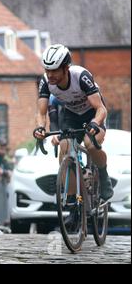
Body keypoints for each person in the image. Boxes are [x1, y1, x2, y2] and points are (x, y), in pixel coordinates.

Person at [33, 44, 113, 201]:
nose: (50, 74)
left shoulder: (81, 76)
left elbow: (101, 109)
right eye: (47, 70)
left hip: (93, 113)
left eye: (54, 70)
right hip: (72, 114)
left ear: (66, 68)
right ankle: (72, 203)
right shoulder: (45, 81)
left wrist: (95, 123)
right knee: (65, 148)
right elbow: (41, 113)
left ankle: (103, 176)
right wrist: (40, 128)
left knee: (90, 144)